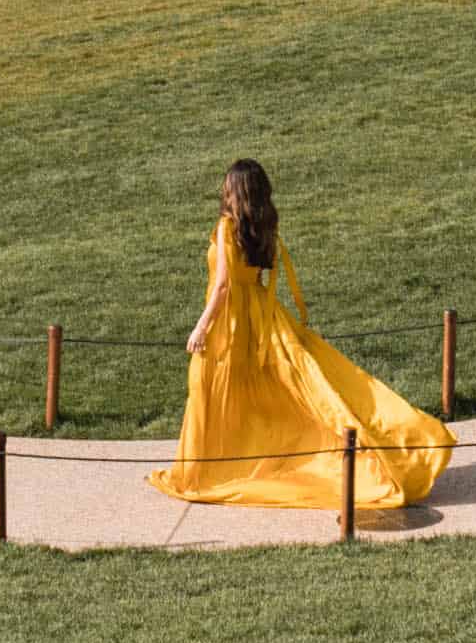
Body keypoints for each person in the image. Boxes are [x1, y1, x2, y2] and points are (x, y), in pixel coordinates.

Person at [150, 159, 453, 514]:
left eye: (227, 185)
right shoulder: (263, 226)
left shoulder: (226, 226)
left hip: (230, 321)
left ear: (235, 190)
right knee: (297, 385)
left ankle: (208, 471)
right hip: (261, 314)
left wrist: (201, 326)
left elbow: (222, 286)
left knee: (211, 390)